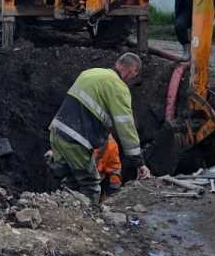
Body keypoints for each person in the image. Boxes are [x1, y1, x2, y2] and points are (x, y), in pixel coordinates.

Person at [46, 53, 151, 203]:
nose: (131, 80)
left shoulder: (91, 72)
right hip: (77, 140)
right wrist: (139, 163)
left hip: (57, 131)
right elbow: (126, 127)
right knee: (90, 187)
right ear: (131, 71)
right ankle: (88, 223)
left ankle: (63, 210)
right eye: (133, 75)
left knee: (70, 182)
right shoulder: (118, 87)